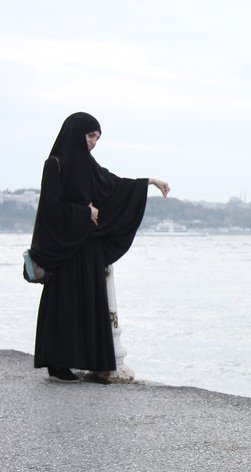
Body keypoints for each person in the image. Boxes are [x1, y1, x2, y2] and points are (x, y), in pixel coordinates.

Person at [29, 112, 170, 383]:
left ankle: (89, 361)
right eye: (90, 135)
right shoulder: (54, 164)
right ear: (76, 133)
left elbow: (113, 186)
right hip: (67, 250)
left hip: (87, 249)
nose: (93, 142)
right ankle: (57, 365)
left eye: (97, 138)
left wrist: (149, 183)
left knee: (89, 305)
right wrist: (84, 213)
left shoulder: (88, 166)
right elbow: (50, 209)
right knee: (64, 305)